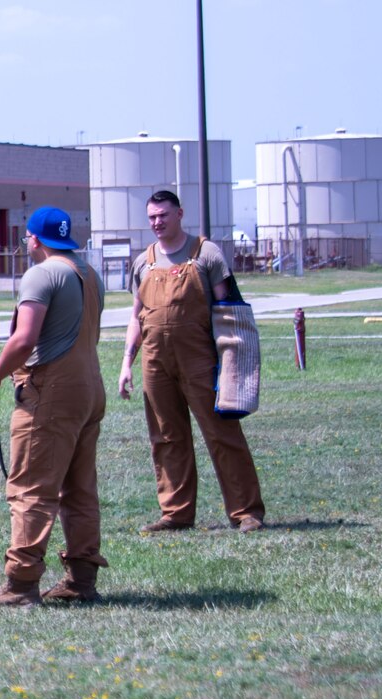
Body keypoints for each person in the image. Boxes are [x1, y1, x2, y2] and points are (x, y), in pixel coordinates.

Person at [0, 206, 109, 606]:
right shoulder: (88, 273)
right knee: (79, 490)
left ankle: (21, 584)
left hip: (50, 392)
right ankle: (82, 580)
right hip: (89, 387)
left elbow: (24, 339)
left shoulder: (42, 273)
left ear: (33, 239)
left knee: (31, 489)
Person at [118, 190, 266, 533]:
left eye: (163, 215)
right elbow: (136, 316)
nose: (157, 222)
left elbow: (231, 311)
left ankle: (246, 512)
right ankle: (176, 513)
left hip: (200, 360)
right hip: (155, 364)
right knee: (166, 437)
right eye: (152, 217)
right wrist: (127, 362)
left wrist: (235, 362)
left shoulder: (206, 254)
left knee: (222, 433)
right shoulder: (144, 261)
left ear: (180, 214)